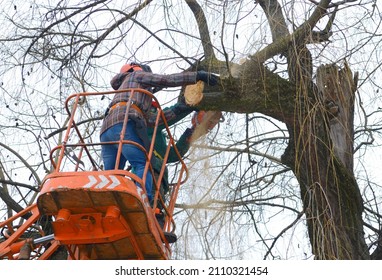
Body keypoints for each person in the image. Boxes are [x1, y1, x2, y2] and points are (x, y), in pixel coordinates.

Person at [100, 62, 219, 205]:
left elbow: (173, 152)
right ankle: (142, 200)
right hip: (124, 123)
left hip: (107, 129)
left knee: (112, 174)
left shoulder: (125, 94)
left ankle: (107, 202)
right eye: (152, 108)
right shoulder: (136, 76)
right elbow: (164, 80)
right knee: (142, 164)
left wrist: (194, 129)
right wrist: (195, 77)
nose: (154, 111)